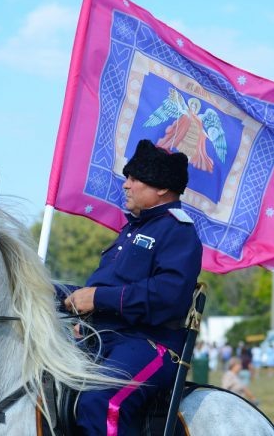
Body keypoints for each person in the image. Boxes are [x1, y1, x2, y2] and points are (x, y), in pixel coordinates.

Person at [61, 139, 202, 436]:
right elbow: (100, 290)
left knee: (102, 402)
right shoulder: (130, 230)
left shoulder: (178, 231)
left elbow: (169, 295)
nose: (125, 185)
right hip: (104, 338)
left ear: (161, 187)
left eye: (134, 179)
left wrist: (98, 298)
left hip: (151, 346)